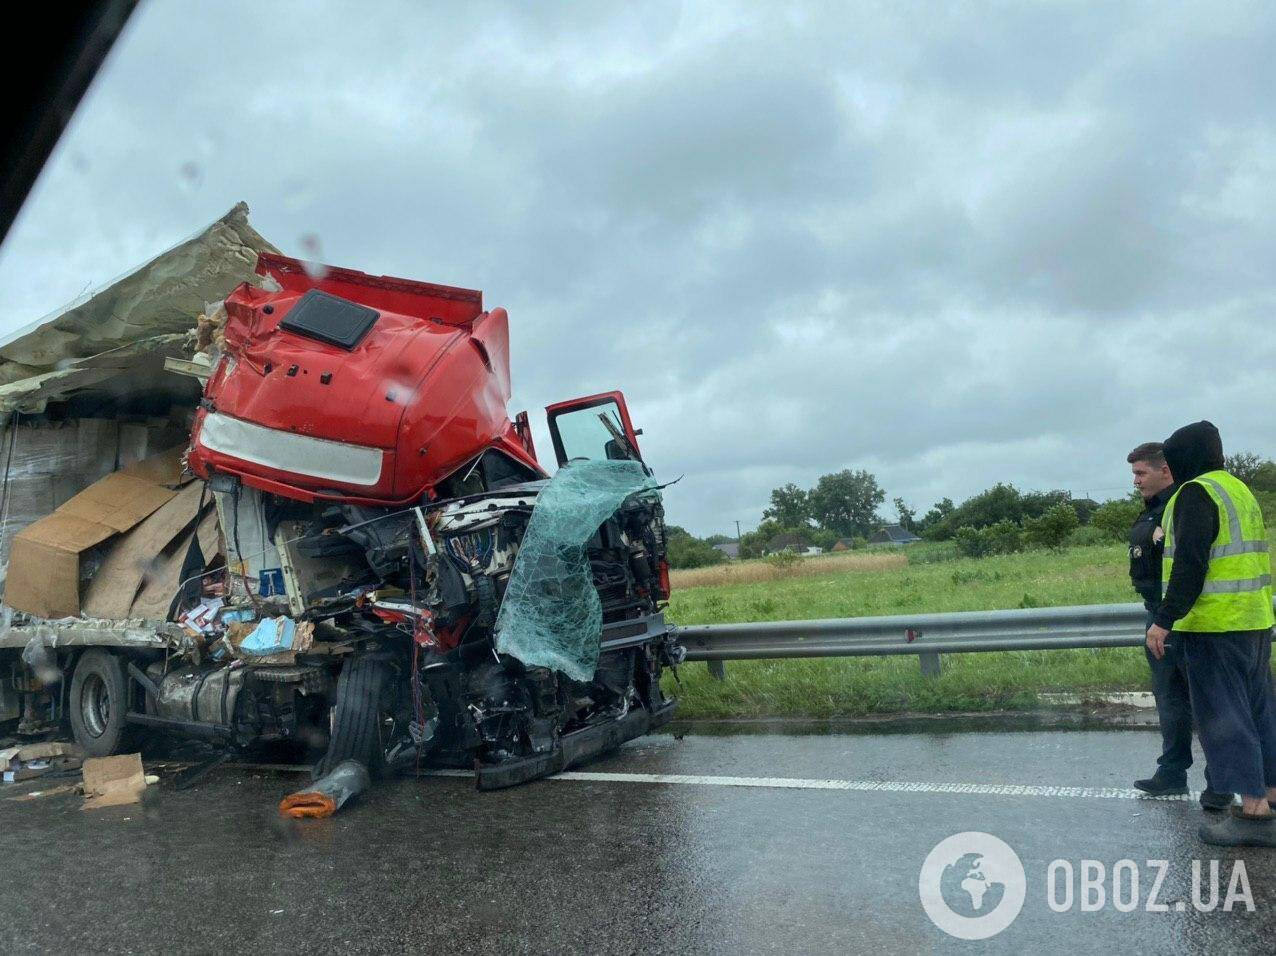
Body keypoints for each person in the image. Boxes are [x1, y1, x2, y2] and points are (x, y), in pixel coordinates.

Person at [1146, 421, 1276, 847]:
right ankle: (1270, 798)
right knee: (1260, 715)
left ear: (1186, 458)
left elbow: (1191, 564)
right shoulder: (1238, 489)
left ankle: (1253, 812)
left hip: (1214, 625)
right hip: (1255, 620)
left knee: (1225, 719)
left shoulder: (1195, 493)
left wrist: (1164, 618)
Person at [1127, 442, 1232, 810]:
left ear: (1165, 471)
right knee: (1169, 700)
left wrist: (1168, 618)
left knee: (1205, 705)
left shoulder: (1185, 503)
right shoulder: (1152, 510)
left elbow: (1190, 564)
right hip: (1158, 613)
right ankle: (1171, 772)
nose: (1135, 481)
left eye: (1141, 473)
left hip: (1184, 618)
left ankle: (1219, 782)